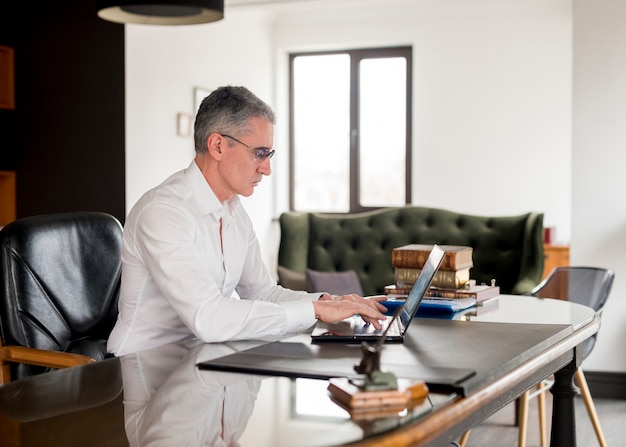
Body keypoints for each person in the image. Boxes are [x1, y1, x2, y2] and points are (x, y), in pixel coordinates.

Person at [107, 86, 387, 356]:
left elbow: (261, 292)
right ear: (217, 146)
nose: (266, 169)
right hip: (143, 368)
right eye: (259, 153)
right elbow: (208, 317)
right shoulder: (164, 212)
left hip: (203, 360)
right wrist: (314, 311)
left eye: (269, 154)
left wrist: (329, 301)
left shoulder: (234, 213)